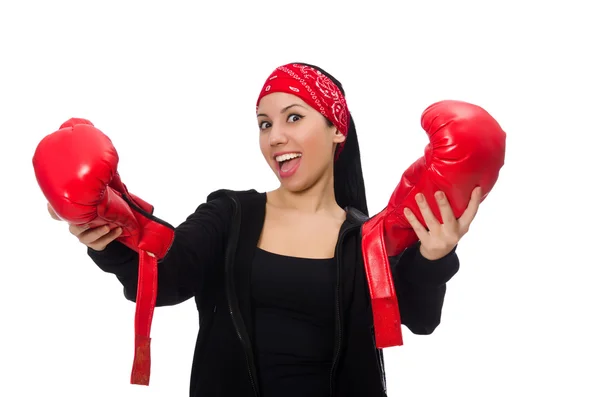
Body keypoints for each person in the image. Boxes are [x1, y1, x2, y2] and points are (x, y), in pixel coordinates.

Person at [48, 62, 481, 397]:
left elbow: (420, 319)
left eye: (293, 118)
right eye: (264, 123)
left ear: (337, 129)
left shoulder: (368, 238)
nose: (274, 137)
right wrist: (109, 235)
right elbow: (168, 277)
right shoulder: (230, 214)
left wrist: (433, 257)